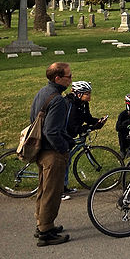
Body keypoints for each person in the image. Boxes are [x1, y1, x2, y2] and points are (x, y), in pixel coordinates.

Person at [31, 62, 74, 246]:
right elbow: (52, 131)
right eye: (68, 76)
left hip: (41, 149)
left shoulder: (43, 92)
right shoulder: (57, 100)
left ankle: (42, 223)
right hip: (52, 152)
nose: (71, 79)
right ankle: (45, 232)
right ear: (58, 78)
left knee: (43, 189)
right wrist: (63, 148)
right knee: (52, 192)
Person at [62, 80, 107, 199]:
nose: (90, 96)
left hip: (69, 135)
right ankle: (58, 191)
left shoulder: (83, 103)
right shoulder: (70, 104)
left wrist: (98, 122)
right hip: (61, 135)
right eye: (87, 93)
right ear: (78, 94)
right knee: (61, 162)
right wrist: (90, 127)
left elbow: (87, 117)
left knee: (67, 160)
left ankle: (64, 186)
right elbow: (72, 126)